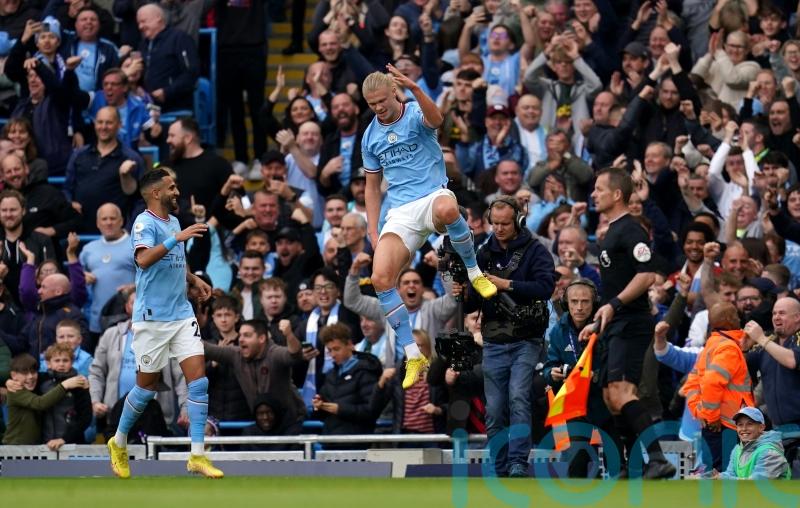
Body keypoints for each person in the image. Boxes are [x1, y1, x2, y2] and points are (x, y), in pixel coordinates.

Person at [360, 66, 497, 390]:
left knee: (450, 208)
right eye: (371, 104)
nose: (378, 108)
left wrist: (417, 89)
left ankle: (475, 272)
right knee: (380, 278)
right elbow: (371, 186)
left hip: (432, 193)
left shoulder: (414, 113)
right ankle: (412, 353)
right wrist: (372, 228)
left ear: (394, 93)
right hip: (401, 211)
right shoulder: (370, 136)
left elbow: (437, 121)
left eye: (381, 100)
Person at [106, 168, 223, 479]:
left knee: (198, 381)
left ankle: (197, 455)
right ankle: (118, 441)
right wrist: (177, 238)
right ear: (155, 193)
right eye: (172, 187)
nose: (177, 192)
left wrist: (193, 278)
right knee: (145, 390)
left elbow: (174, 260)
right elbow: (143, 260)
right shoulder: (144, 223)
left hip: (181, 314)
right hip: (151, 319)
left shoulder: (173, 221)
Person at [579, 167, 676, 479]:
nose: (594, 194)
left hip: (631, 322)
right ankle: (636, 464)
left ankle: (658, 459)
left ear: (616, 194)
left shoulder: (630, 229)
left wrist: (614, 304)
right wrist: (600, 321)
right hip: (615, 322)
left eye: (599, 189)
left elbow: (647, 274)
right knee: (610, 397)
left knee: (621, 392)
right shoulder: (612, 232)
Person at [458, 195, 555, 478]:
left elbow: (545, 288)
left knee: (518, 397)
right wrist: (464, 293)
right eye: (495, 223)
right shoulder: (482, 253)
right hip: (494, 338)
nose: (499, 229)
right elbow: (472, 305)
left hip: (527, 338)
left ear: (518, 222)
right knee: (495, 408)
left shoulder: (536, 251)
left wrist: (507, 284)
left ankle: (517, 462)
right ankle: (499, 464)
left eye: (505, 224)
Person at [90, 290, 188, 434]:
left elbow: (182, 377)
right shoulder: (111, 335)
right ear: (127, 307)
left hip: (155, 418)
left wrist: (186, 408)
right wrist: (95, 401)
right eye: (135, 302)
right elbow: (96, 372)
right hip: (116, 416)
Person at [543, 278, 611, 478]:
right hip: (575, 406)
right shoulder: (558, 331)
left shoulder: (606, 328)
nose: (579, 307)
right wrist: (552, 374)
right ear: (566, 304)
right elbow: (549, 366)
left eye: (585, 302)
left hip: (605, 404)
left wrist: (595, 376)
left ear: (594, 303)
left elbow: (615, 366)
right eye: (574, 302)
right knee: (576, 465)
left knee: (618, 466)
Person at [680, 302, 754, 471]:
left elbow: (691, 385)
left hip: (714, 424)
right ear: (728, 319)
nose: (738, 317)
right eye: (735, 314)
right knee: (727, 474)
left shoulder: (711, 346)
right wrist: (711, 417)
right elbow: (711, 382)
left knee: (715, 473)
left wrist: (702, 414)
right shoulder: (728, 347)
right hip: (727, 425)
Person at [64, 106, 145, 233]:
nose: (103, 127)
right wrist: (70, 204)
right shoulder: (78, 155)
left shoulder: (131, 158)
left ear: (119, 125)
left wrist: (129, 231)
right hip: (81, 231)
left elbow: (140, 200)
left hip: (117, 234)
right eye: (100, 122)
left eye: (109, 122)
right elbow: (67, 189)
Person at [312, 322, 382, 435]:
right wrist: (319, 406)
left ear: (349, 344)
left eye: (336, 349)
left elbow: (370, 410)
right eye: (329, 350)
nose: (333, 354)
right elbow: (321, 416)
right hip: (330, 441)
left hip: (356, 441)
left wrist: (340, 409)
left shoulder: (365, 372)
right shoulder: (331, 375)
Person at [2, 352, 88, 445]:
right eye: (25, 373)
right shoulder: (16, 391)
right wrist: (64, 385)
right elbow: (40, 403)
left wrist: (83, 380)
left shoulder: (37, 385)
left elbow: (51, 376)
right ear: (14, 375)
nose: (30, 376)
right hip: (15, 449)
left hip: (35, 448)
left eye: (33, 372)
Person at [79, 204, 137, 339]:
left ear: (121, 221)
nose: (109, 222)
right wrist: (82, 276)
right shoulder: (88, 249)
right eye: (104, 219)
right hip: (97, 321)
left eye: (113, 218)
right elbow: (78, 279)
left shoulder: (136, 245)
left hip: (128, 319)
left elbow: (152, 276)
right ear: (98, 223)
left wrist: (134, 286)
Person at [39, 342, 92, 449]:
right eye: (57, 360)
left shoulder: (80, 384)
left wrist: (65, 439)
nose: (61, 364)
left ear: (72, 362)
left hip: (72, 444)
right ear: (48, 363)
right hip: (44, 443)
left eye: (65, 360)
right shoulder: (40, 381)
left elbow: (86, 417)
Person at [716, 407, 790, 479]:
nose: (744, 429)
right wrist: (718, 477)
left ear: (761, 427)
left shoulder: (770, 453)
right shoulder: (737, 449)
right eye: (740, 425)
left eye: (749, 424)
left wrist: (723, 479)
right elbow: (730, 474)